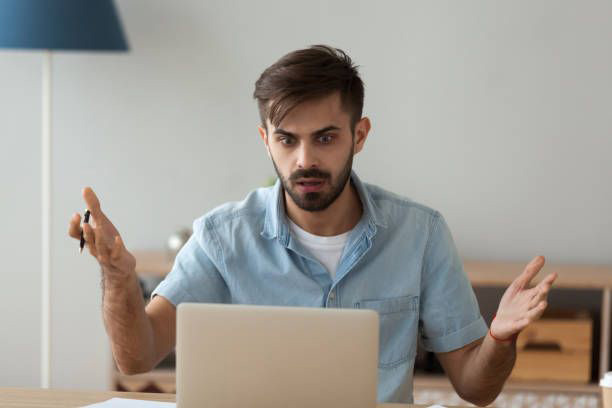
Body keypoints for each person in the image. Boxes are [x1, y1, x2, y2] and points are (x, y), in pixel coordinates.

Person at [68, 45, 557, 405]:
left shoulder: (420, 234)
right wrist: (116, 276)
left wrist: (499, 338)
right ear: (266, 140)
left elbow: (476, 389)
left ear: (358, 135)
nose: (305, 160)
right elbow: (137, 359)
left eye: (325, 138)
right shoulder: (222, 236)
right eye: (287, 140)